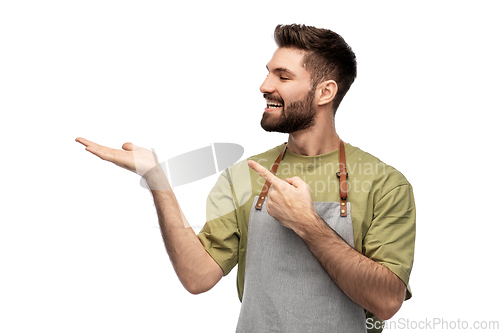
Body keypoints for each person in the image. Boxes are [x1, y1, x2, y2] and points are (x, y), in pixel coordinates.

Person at [76, 24, 415, 333]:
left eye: (283, 77)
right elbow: (198, 277)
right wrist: (156, 179)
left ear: (325, 92)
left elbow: (386, 302)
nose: (265, 86)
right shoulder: (245, 175)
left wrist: (307, 223)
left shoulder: (385, 184)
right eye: (268, 73)